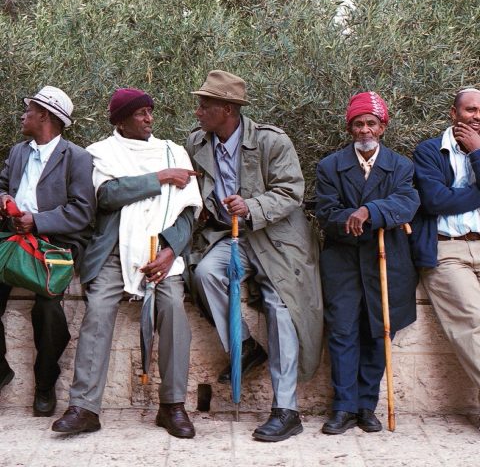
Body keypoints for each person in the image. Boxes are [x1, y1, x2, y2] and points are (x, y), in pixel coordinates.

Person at [52, 88, 202, 438]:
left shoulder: (172, 150)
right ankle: (84, 407)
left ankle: (173, 406)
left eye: (150, 111)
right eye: (141, 113)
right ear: (120, 120)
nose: (149, 118)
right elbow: (107, 196)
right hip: (114, 252)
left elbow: (188, 214)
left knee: (173, 309)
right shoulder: (100, 153)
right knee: (99, 310)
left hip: (161, 253)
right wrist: (160, 178)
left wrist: (169, 251)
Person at [187, 70, 323, 442]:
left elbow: (291, 191)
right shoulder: (197, 143)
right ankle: (244, 347)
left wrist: (251, 205)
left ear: (227, 108)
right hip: (230, 239)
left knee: (281, 310)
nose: (197, 111)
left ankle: (286, 409)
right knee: (206, 275)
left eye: (205, 105)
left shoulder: (271, 141)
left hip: (276, 239)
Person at [315, 92, 419, 434]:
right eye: (358, 124)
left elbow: (407, 202)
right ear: (350, 128)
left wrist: (369, 211)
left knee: (379, 331)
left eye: (371, 123)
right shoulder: (330, 166)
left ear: (383, 127)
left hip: (386, 261)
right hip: (343, 261)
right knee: (343, 330)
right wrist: (353, 217)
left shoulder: (401, 166)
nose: (364, 130)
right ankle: (342, 408)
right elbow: (327, 213)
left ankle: (366, 406)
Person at [0, 86, 96, 416]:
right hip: (12, 240)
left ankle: (45, 383)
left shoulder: (78, 158)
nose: (23, 115)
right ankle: (1, 371)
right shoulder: (17, 152)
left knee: (48, 307)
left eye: (29, 110)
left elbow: (83, 210)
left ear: (45, 116)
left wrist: (37, 221)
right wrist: (3, 201)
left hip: (54, 243)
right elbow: (2, 185)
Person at [411, 88, 480, 391]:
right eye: (470, 110)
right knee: (473, 323)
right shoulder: (429, 150)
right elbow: (435, 201)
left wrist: (477, 152)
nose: (477, 116)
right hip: (446, 249)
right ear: (454, 114)